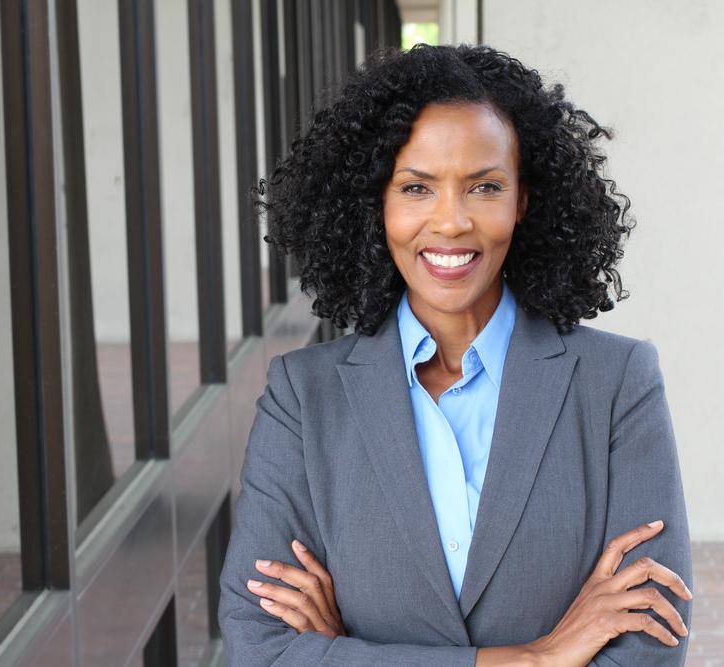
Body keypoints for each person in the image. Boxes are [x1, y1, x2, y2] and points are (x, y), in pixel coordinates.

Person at [217, 43, 693, 666]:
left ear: (523, 200)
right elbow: (262, 649)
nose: (450, 223)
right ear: (375, 204)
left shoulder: (616, 384)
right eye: (416, 187)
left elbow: (649, 641)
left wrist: (341, 654)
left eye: (484, 186)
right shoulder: (303, 397)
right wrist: (536, 660)